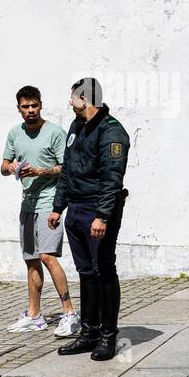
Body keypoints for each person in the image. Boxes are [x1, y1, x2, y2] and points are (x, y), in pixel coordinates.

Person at [49, 78, 130, 361]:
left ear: (85, 98)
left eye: (72, 98)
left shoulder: (112, 132)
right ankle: (88, 332)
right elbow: (68, 169)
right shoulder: (77, 127)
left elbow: (112, 178)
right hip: (76, 209)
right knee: (85, 272)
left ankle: (108, 335)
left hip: (98, 210)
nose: (70, 102)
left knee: (103, 270)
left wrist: (102, 216)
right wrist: (58, 208)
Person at [0, 86, 78, 337]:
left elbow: (66, 168)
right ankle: (34, 315)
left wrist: (40, 171)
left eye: (34, 105)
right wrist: (12, 167)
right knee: (31, 260)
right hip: (27, 204)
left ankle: (69, 313)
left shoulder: (54, 133)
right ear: (19, 108)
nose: (31, 110)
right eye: (26, 106)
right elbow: (3, 166)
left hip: (49, 203)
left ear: (41, 105)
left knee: (47, 257)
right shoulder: (15, 134)